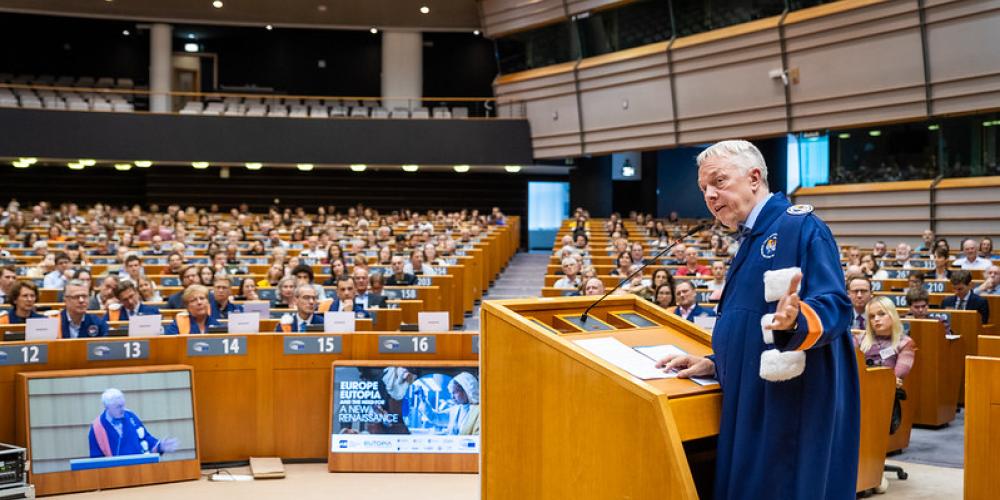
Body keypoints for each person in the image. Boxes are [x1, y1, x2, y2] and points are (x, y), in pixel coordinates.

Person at [656, 140, 858, 499]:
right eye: (704, 188)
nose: (710, 195)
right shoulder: (751, 238)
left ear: (754, 177)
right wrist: (715, 363)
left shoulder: (801, 227)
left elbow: (836, 308)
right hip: (750, 400)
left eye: (719, 181)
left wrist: (797, 320)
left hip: (789, 407)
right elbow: (750, 327)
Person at [88, 388, 179, 458]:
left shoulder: (130, 416)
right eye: (118, 406)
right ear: (106, 406)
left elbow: (145, 438)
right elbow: (96, 459)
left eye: (123, 404)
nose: (123, 409)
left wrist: (160, 446)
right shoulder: (97, 428)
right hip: (116, 474)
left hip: (139, 469)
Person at [854, 296, 916, 389]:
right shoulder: (859, 339)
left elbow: (898, 375)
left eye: (881, 314)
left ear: (892, 315)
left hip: (887, 393)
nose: (876, 319)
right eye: (872, 316)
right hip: (861, 391)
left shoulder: (905, 343)